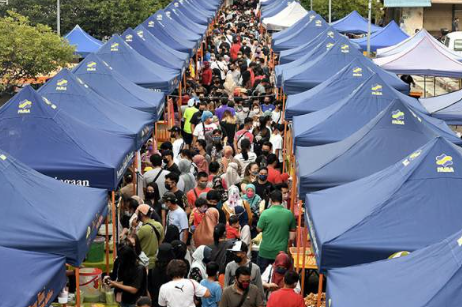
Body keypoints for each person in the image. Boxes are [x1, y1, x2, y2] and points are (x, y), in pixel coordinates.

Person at [256, 191, 296, 272]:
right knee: (278, 278)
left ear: (271, 200)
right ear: (281, 200)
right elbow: (292, 236)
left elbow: (259, 229)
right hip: (281, 252)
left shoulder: (265, 213)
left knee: (263, 278)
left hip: (265, 251)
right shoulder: (289, 214)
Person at [135, 204, 164, 271]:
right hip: (155, 262)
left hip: (143, 263)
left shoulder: (143, 229)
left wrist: (133, 228)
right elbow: (160, 242)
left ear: (141, 214)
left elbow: (133, 242)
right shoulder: (159, 225)